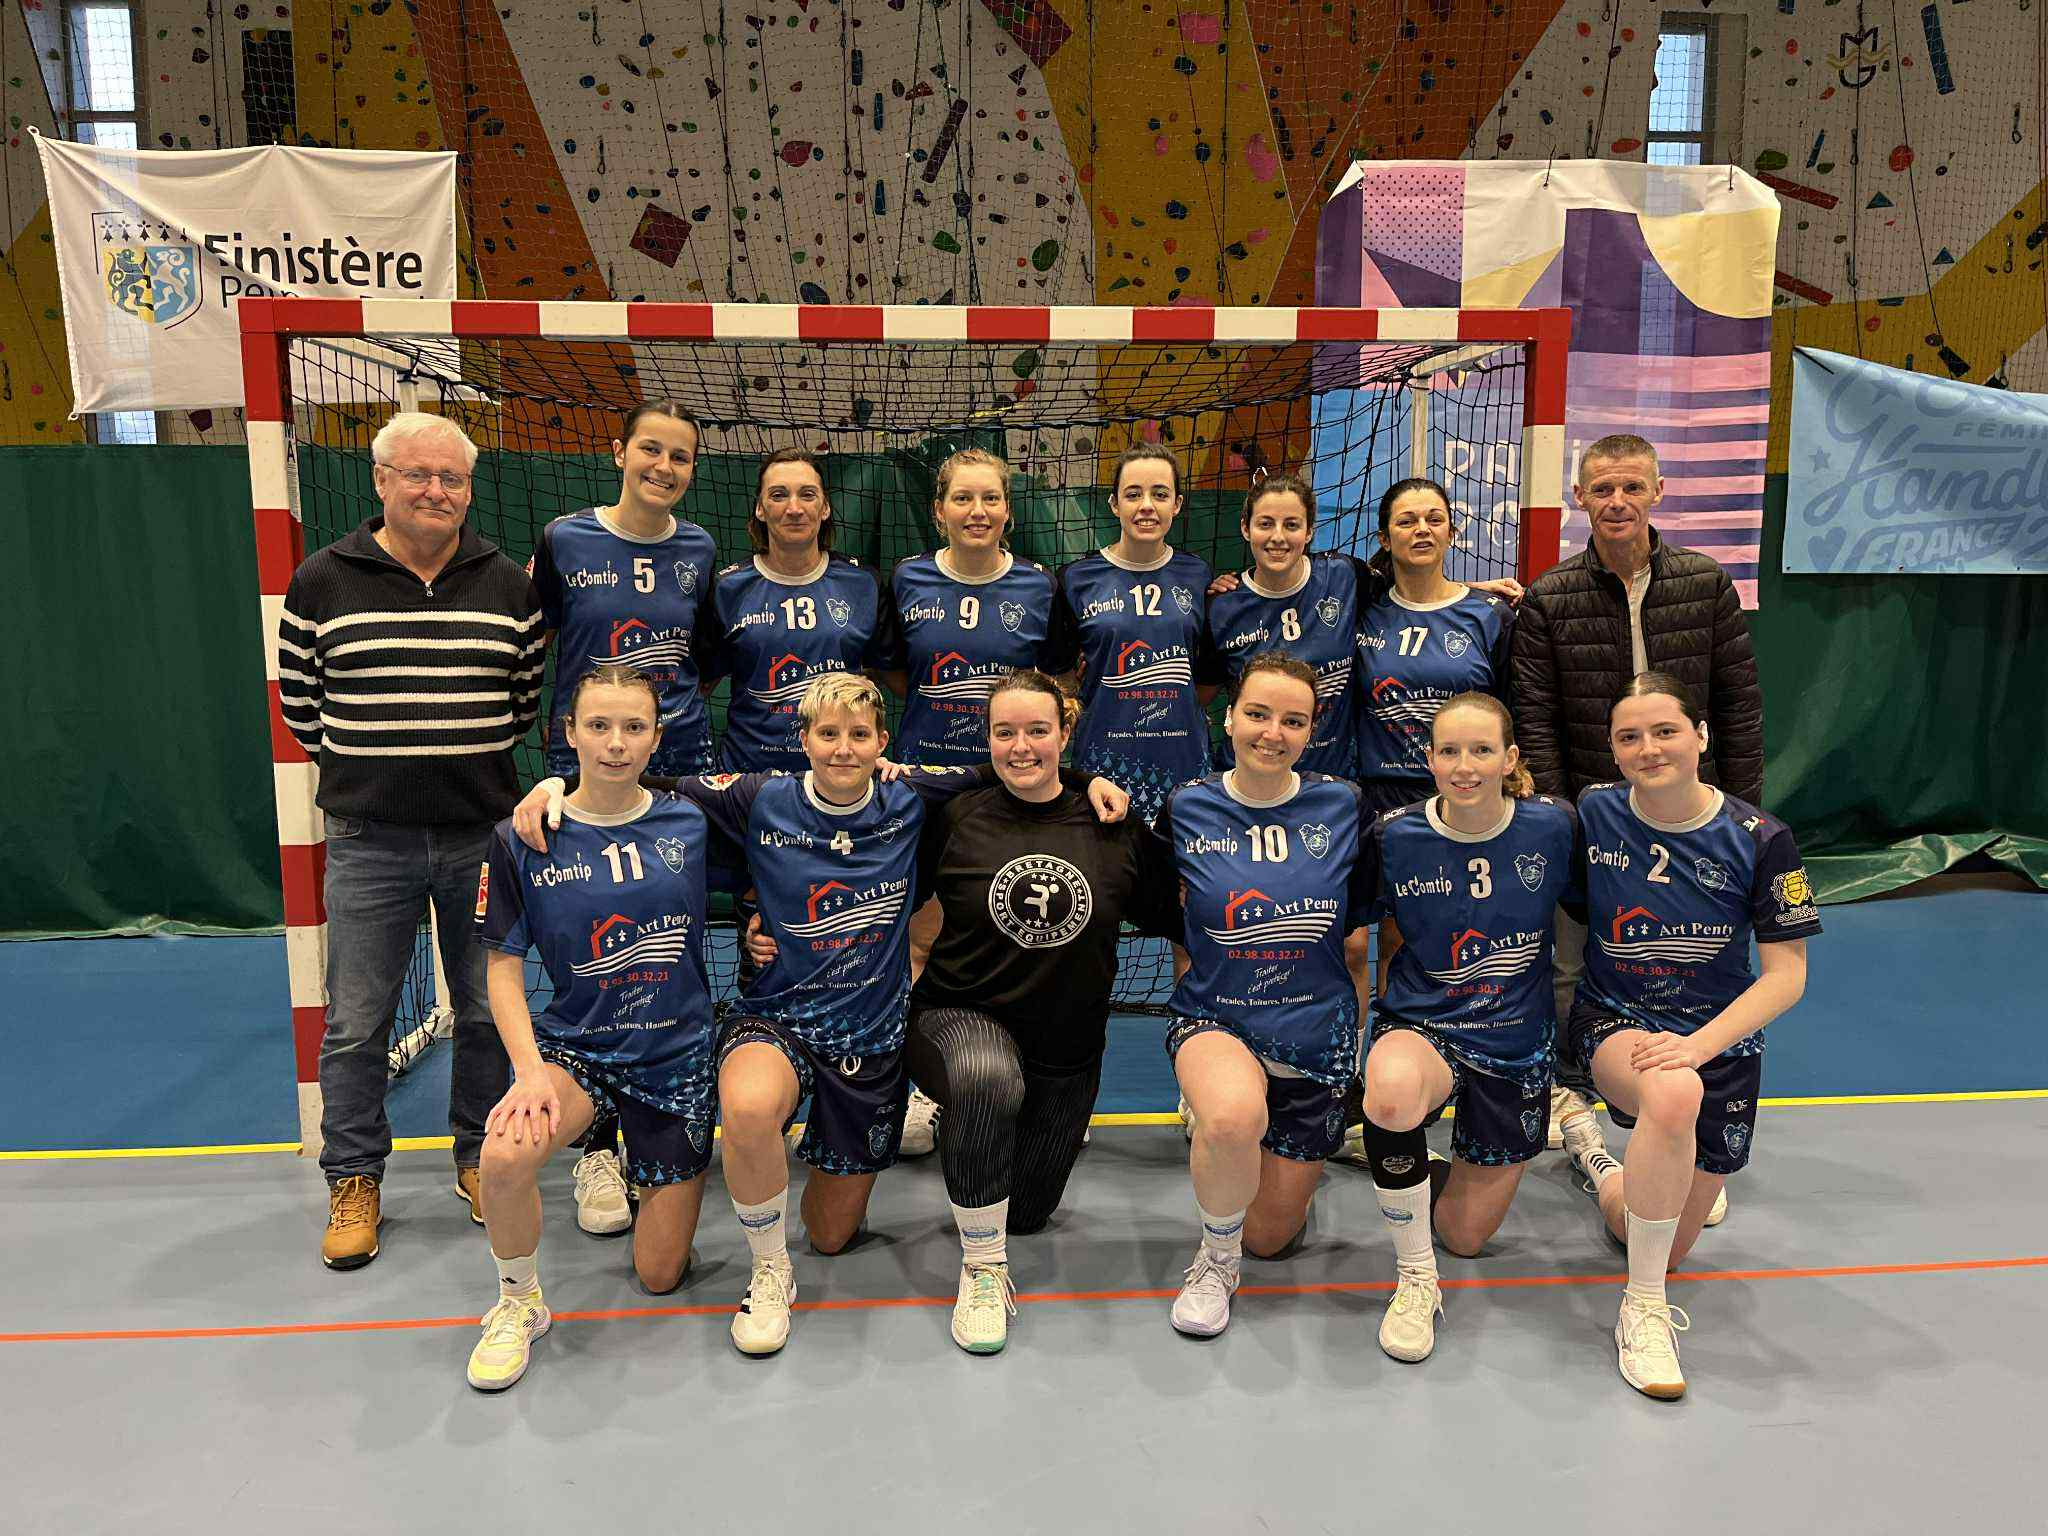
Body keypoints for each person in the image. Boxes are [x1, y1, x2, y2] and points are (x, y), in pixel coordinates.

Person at [517, 674, 1127, 1357]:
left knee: (833, 1236)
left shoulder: (910, 795)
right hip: (776, 1017)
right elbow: (645, 789)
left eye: (858, 735)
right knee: (746, 1108)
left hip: (869, 1035)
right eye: (827, 734)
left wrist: (1086, 780)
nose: (843, 749)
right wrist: (552, 788)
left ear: (881, 744)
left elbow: (1017, 764)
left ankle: (826, 1193)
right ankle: (769, 1271)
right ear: (802, 739)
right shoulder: (760, 798)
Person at [275, 411, 544, 1270]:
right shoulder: (321, 580)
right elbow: (302, 707)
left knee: (481, 1011)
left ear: (469, 488)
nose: (436, 491)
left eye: (453, 479)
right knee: (356, 1023)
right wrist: (379, 775)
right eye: (418, 475)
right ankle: (354, 1178)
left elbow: (522, 701)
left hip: (480, 838)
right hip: (369, 841)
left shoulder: (508, 583)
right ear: (381, 481)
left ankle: (477, 1156)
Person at [897, 669, 1182, 1355]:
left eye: (1036, 731)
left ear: (1064, 733)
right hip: (957, 1018)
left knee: (1026, 1212)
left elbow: (1179, 916)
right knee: (988, 1081)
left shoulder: (1112, 822)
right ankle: (982, 1267)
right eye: (1004, 733)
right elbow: (878, 895)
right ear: (986, 739)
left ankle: (975, 1131)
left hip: (1067, 1047)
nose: (1020, 747)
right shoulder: (958, 814)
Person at [1512, 433, 1765, 1198]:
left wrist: (1746, 821)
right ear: (1580, 499)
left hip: (1699, 834)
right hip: (1597, 829)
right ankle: (1577, 1100)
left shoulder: (1706, 583)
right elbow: (1537, 719)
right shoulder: (1551, 597)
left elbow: (1739, 708)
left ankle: (1677, 1119)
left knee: (1696, 970)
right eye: (1601, 489)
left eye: (1631, 487)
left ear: (1657, 491)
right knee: (1570, 962)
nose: (1616, 501)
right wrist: (1568, 825)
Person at [1558, 673, 1816, 1400]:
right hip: (1617, 1022)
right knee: (1672, 1094)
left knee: (1657, 1239)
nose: (1649, 748)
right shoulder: (1595, 814)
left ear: (1701, 736)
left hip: (1715, 1043)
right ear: (1612, 749)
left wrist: (1699, 1045)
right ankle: (1640, 1313)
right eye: (1629, 736)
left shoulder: (1761, 840)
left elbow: (1786, 977)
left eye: (1665, 731)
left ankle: (1597, 1159)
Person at [465, 667, 722, 1391]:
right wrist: (529, 1071)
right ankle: (519, 1304)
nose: (616, 744)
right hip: (580, 1050)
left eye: (634, 728)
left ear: (657, 737)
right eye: (599, 726)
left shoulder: (692, 817)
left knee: (659, 1275)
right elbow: (504, 970)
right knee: (507, 1154)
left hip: (677, 1062)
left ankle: (645, 1171)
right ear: (568, 732)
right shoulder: (522, 837)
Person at [529, 400, 721, 1235]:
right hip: (590, 776)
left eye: (680, 456)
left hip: (679, 774)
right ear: (618, 450)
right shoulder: (565, 539)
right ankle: (597, 1148)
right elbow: (532, 649)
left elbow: (703, 659)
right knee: (592, 952)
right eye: (651, 449)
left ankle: (669, 1119)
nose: (664, 467)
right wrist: (550, 776)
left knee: (671, 954)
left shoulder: (700, 548)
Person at [1153, 653, 1375, 1338]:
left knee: (1272, 1237)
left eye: (1292, 720)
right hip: (1217, 1018)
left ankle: (1270, 1149)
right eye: (1258, 714)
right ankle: (1215, 1261)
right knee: (1229, 1118)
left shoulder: (1343, 804)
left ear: (1312, 731)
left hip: (1315, 1034)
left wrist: (1350, 1051)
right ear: (1229, 717)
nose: (1272, 732)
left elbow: (1358, 944)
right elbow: (1178, 926)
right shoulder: (1187, 805)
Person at [1354, 693, 1580, 1363]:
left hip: (1516, 1045)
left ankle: (1582, 1140)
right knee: (1390, 1093)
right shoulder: (1395, 835)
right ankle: (1416, 1280)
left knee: (1466, 1236)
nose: (1464, 765)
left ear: (1511, 759)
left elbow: (1604, 914)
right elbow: (1343, 926)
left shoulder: (1555, 827)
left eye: (1482, 750)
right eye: (1448, 750)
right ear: (1428, 759)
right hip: (1426, 1027)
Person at [880, 447, 1061, 1155]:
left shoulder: (1043, 588)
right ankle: (929, 1091)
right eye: (962, 500)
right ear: (940, 510)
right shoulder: (909, 579)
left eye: (990, 499)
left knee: (1021, 933)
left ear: (1008, 509)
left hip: (1011, 787)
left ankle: (1030, 1085)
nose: (977, 512)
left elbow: (1058, 675)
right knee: (925, 938)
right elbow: (897, 673)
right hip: (929, 788)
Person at [1355, 477, 1516, 996]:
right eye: (1406, 520)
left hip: (1464, 797)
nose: (1421, 529)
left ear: (1452, 531)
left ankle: (1467, 1059)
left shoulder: (1489, 615)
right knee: (1388, 942)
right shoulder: (1362, 611)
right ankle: (1383, 1061)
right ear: (1385, 538)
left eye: (1433, 519)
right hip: (1383, 797)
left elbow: (1512, 706)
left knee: (1466, 939)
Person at [1046, 444, 1224, 826]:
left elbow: (1206, 682)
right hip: (1103, 765)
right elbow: (1059, 677)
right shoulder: (1077, 578)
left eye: (1160, 494)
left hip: (1183, 762)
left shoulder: (1198, 575)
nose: (1147, 505)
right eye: (1133, 494)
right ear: (1114, 504)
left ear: (1177, 504)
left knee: (1176, 881)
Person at [705, 448, 900, 771]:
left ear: (824, 507)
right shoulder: (728, 588)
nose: (794, 508)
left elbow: (890, 675)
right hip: (751, 776)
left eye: (807, 495)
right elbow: (701, 683)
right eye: (779, 495)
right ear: (760, 508)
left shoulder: (863, 583)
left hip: (840, 772)